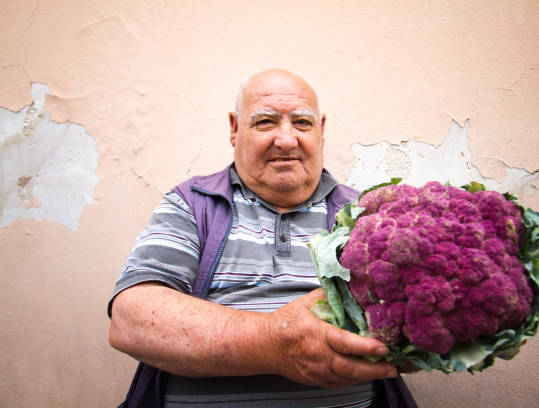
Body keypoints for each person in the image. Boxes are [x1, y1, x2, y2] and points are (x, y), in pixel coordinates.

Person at [108, 69, 418, 407]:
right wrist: (273, 342)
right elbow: (132, 320)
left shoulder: (364, 215)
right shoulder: (192, 204)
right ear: (235, 128)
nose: (286, 140)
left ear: (322, 131)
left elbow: (413, 326)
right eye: (266, 122)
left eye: (302, 123)